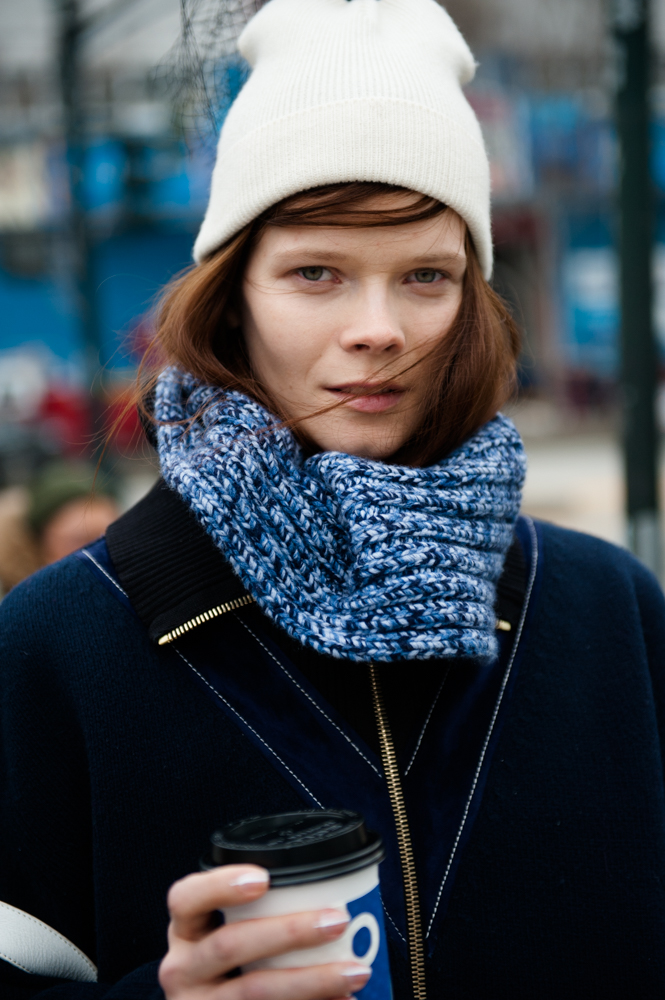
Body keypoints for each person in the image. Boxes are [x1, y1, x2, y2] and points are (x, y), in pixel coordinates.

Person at [1, 1, 664, 998]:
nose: (377, 328)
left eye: (425, 275)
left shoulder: (607, 613)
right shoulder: (59, 644)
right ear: (232, 295)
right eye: (315, 271)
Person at [0, 461, 119, 597]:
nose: (102, 551)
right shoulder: (17, 602)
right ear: (39, 543)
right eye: (81, 540)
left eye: (109, 538)